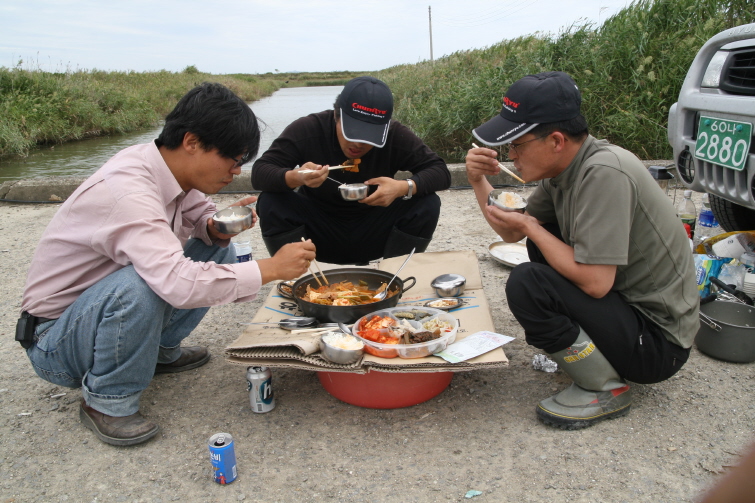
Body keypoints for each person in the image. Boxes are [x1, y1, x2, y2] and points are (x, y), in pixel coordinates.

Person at [17, 82, 316, 446]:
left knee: (217, 250)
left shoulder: (163, 166)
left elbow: (197, 214)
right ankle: (108, 400)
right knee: (143, 284)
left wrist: (217, 225)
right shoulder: (129, 191)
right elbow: (177, 282)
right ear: (192, 142)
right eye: (233, 160)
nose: (235, 172)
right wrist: (272, 268)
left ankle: (156, 353)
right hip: (56, 340)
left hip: (95, 315)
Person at [465, 71, 699, 429]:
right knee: (542, 243)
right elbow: (509, 232)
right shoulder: (566, 169)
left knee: (529, 282)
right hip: (628, 311)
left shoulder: (604, 173)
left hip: (657, 344)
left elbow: (595, 284)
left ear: (556, 140)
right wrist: (478, 181)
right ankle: (593, 355)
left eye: (516, 145)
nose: (510, 156)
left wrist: (530, 227)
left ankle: (604, 388)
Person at [251, 76, 451, 265]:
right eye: (352, 132)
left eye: (368, 136)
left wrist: (402, 187)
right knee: (271, 200)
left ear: (384, 127)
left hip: (374, 231)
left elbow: (440, 171)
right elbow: (260, 172)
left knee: (427, 202)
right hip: (318, 233)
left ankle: (393, 278)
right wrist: (296, 177)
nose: (357, 144)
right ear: (336, 116)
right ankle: (295, 277)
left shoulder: (395, 135)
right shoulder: (309, 129)